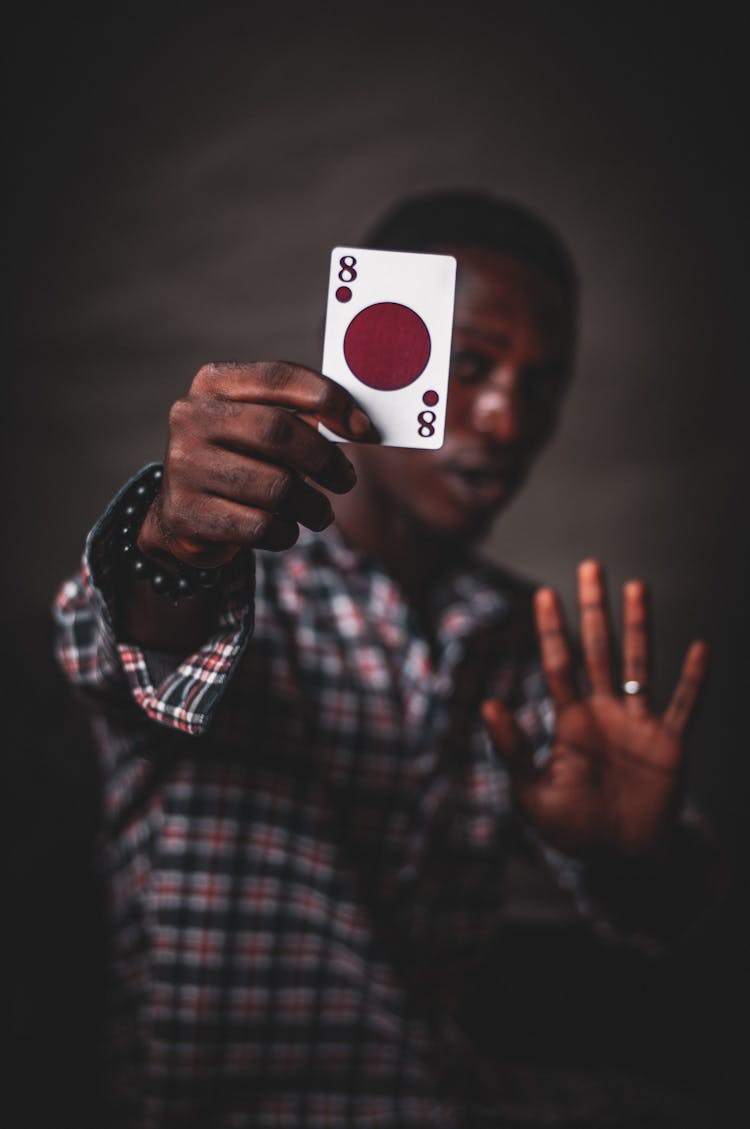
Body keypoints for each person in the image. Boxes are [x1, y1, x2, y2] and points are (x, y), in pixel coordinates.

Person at [53, 189, 720, 1128]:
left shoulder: (528, 638)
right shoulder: (231, 581)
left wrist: (632, 856)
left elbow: (659, 914)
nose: (504, 418)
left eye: (541, 384)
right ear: (370, 354)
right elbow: (111, 648)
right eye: (474, 364)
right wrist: (170, 548)